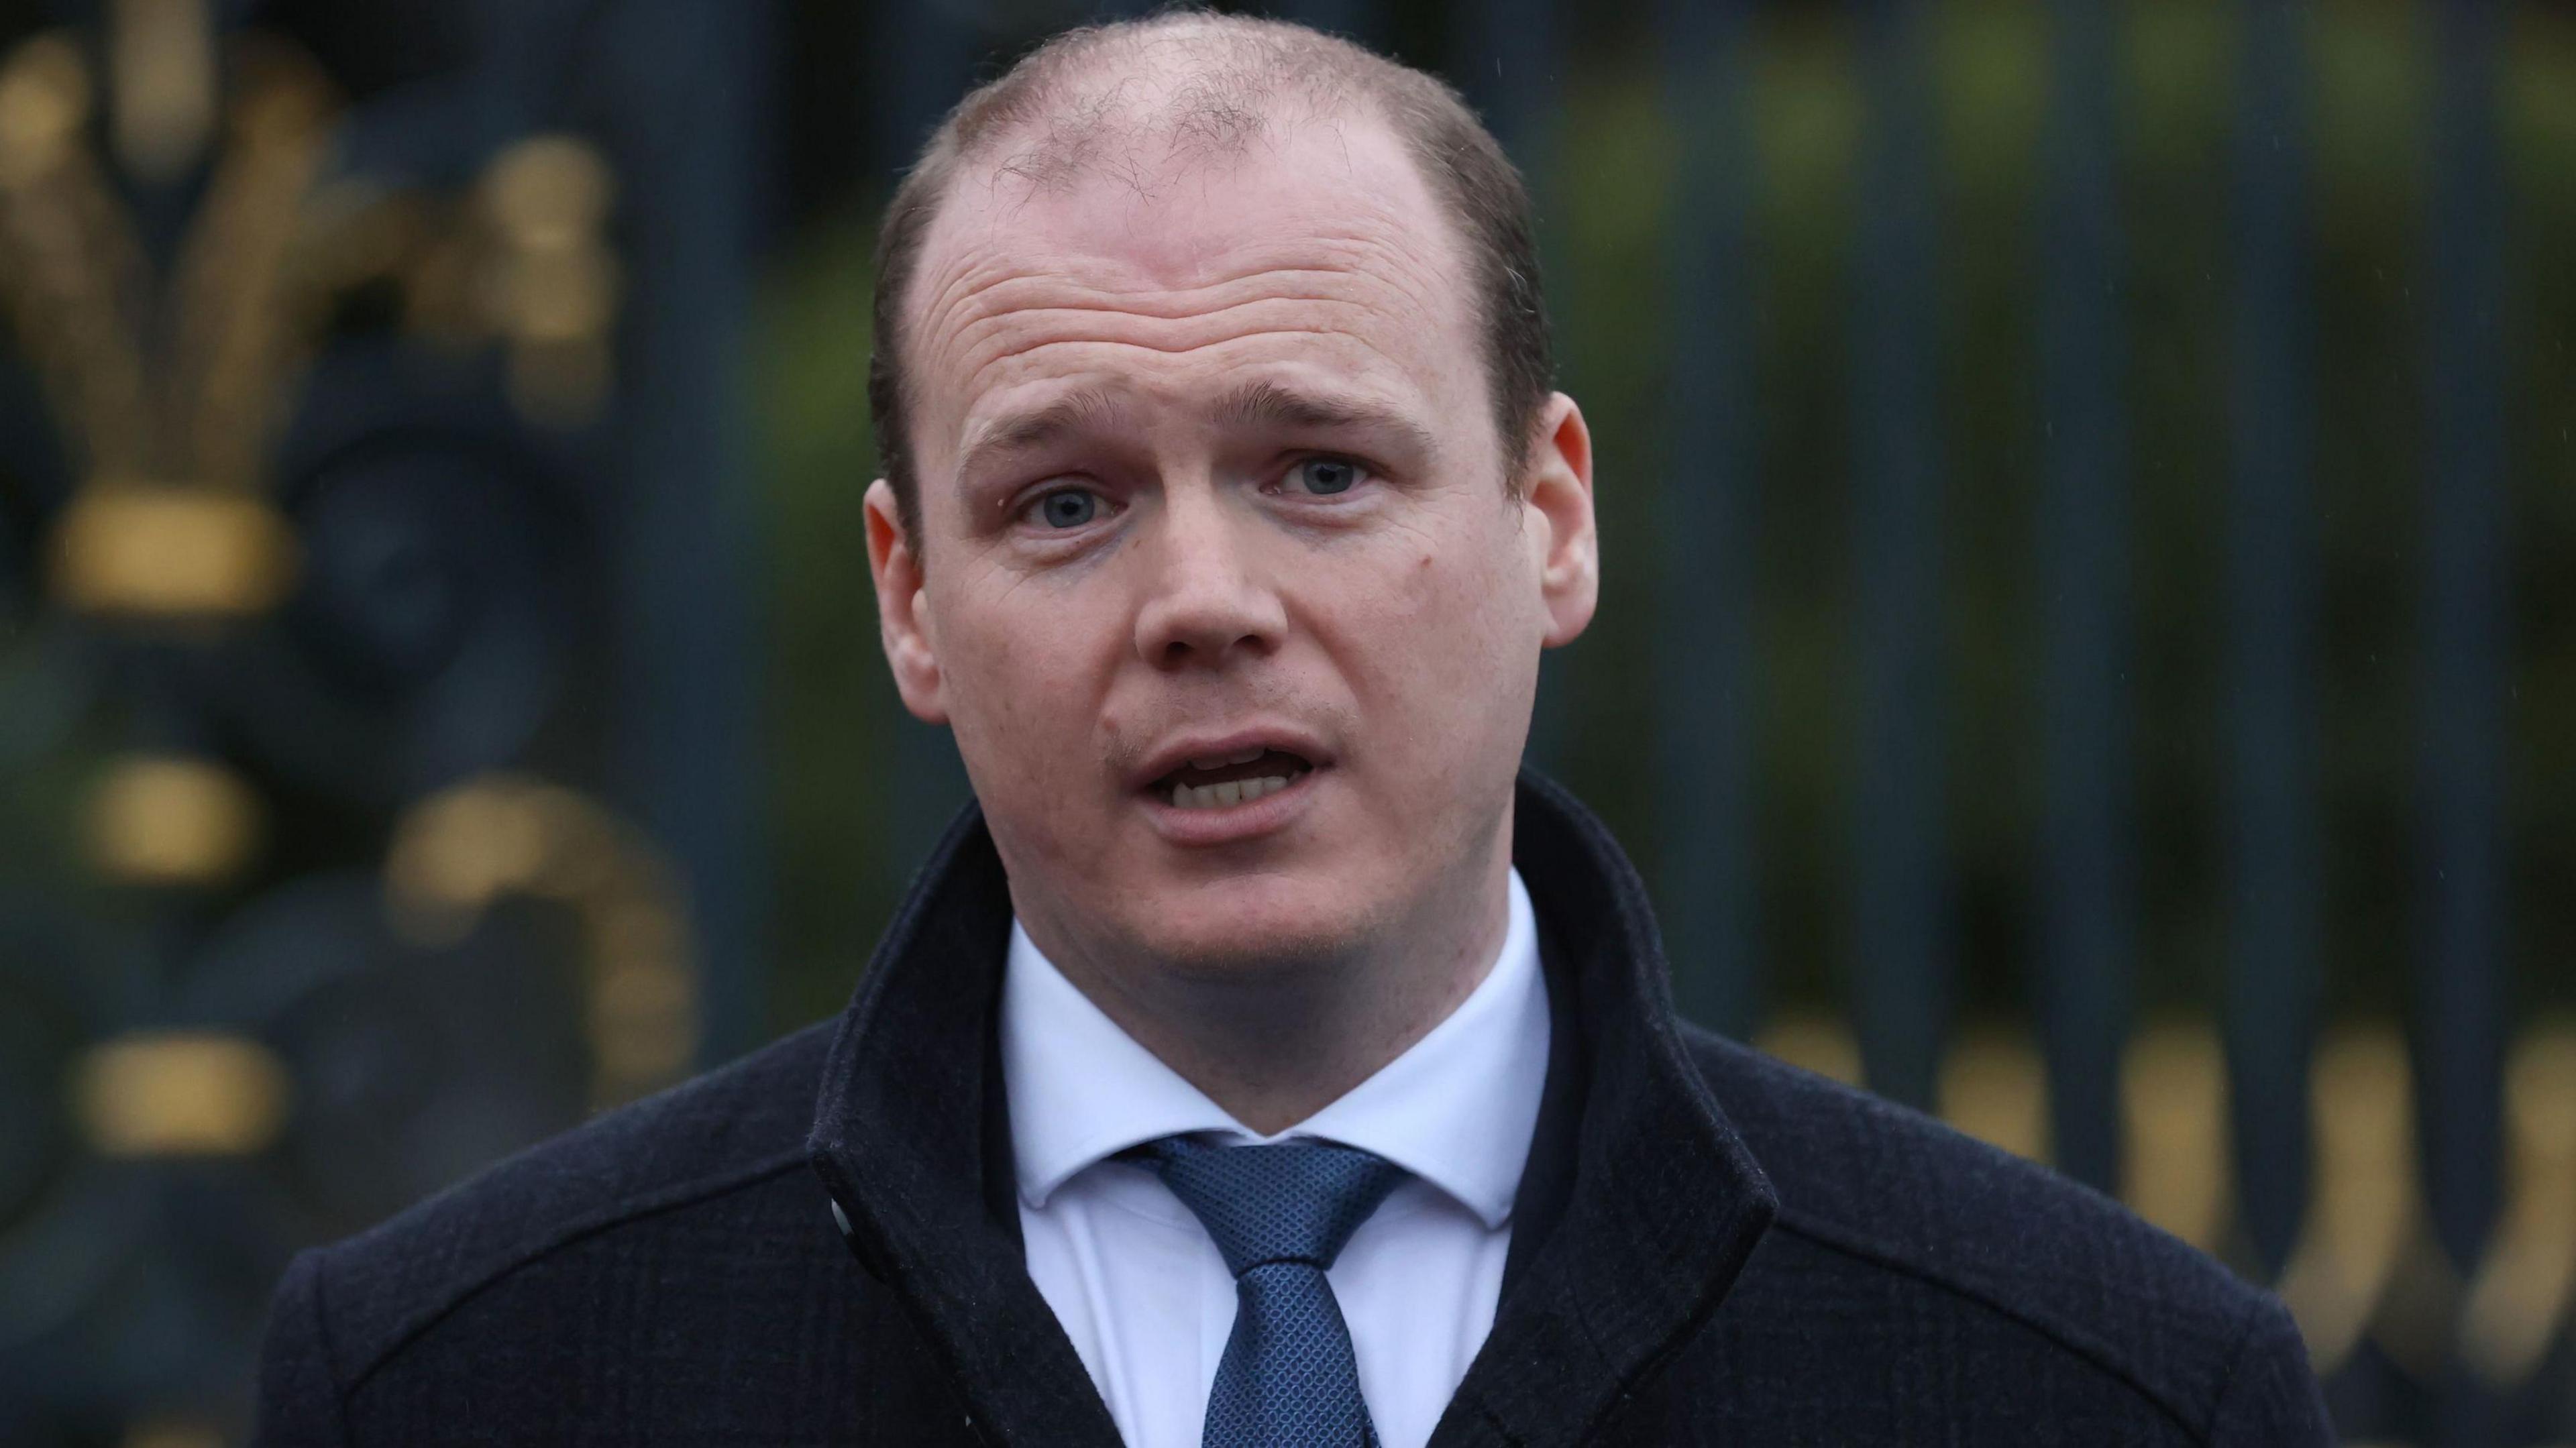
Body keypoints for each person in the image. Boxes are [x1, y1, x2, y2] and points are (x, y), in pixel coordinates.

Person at [253, 12, 2332, 1445]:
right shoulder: (475, 1381)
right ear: (908, 598)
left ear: (1550, 514)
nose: (1203, 604)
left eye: (1321, 469)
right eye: (1064, 502)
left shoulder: (2095, 1391)